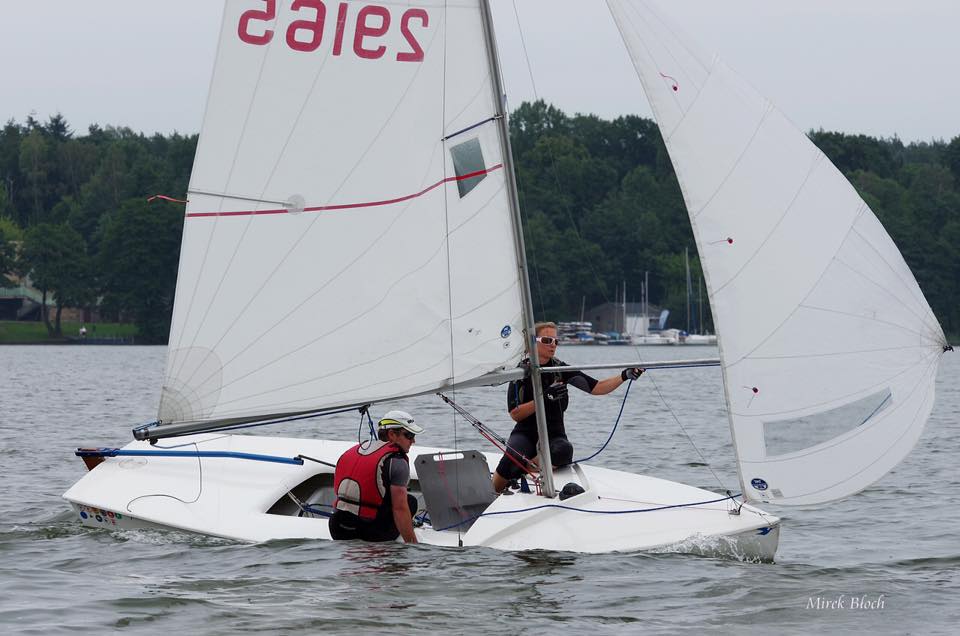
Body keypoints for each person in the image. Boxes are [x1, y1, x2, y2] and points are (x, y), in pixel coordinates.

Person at [492, 321, 643, 494]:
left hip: (554, 434)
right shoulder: (520, 372)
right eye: (547, 340)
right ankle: (493, 492)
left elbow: (597, 387)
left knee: (564, 451)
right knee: (511, 457)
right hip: (525, 433)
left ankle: (523, 470)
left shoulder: (560, 369)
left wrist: (624, 375)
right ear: (533, 342)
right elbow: (515, 414)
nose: (553, 345)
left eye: (556, 341)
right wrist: (544, 398)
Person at [329, 410, 422, 543]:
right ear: (392, 434)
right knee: (410, 501)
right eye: (409, 435)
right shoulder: (397, 461)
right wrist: (413, 545)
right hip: (367, 533)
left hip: (337, 528)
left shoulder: (355, 450)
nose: (413, 440)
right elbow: (400, 508)